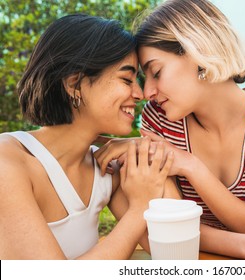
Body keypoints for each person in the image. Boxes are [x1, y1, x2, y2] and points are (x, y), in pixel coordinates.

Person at [95, 0, 245, 259]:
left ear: (199, 52)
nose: (147, 92)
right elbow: (170, 228)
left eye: (156, 71)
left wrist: (189, 165)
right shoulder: (161, 119)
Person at [0, 14, 174, 259]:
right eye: (126, 79)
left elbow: (171, 246)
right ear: (74, 84)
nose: (140, 94)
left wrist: (153, 150)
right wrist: (139, 208)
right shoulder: (8, 162)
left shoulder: (105, 168)